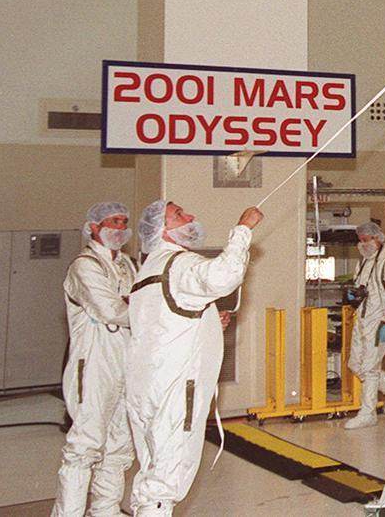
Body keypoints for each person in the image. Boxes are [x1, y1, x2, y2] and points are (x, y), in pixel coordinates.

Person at [125, 200, 262, 517]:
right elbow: (224, 275)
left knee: (152, 468)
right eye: (179, 215)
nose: (191, 217)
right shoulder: (179, 263)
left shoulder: (147, 269)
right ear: (163, 230)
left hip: (145, 386)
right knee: (166, 479)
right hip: (175, 387)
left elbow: (166, 320)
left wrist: (210, 320)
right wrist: (243, 228)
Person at [52, 202, 137, 517]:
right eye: (113, 221)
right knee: (85, 446)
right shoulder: (84, 265)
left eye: (124, 221)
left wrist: (134, 303)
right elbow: (112, 310)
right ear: (93, 227)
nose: (120, 228)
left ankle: (106, 510)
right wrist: (134, 305)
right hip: (94, 364)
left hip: (127, 361)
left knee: (119, 446)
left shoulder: (128, 264)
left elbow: (137, 303)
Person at [343, 221, 385, 429]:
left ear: (377, 239)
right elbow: (362, 288)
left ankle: (367, 412)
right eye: (360, 241)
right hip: (362, 318)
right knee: (355, 364)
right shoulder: (363, 262)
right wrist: (354, 295)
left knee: (370, 368)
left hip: (379, 320)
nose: (363, 245)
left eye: (366, 240)